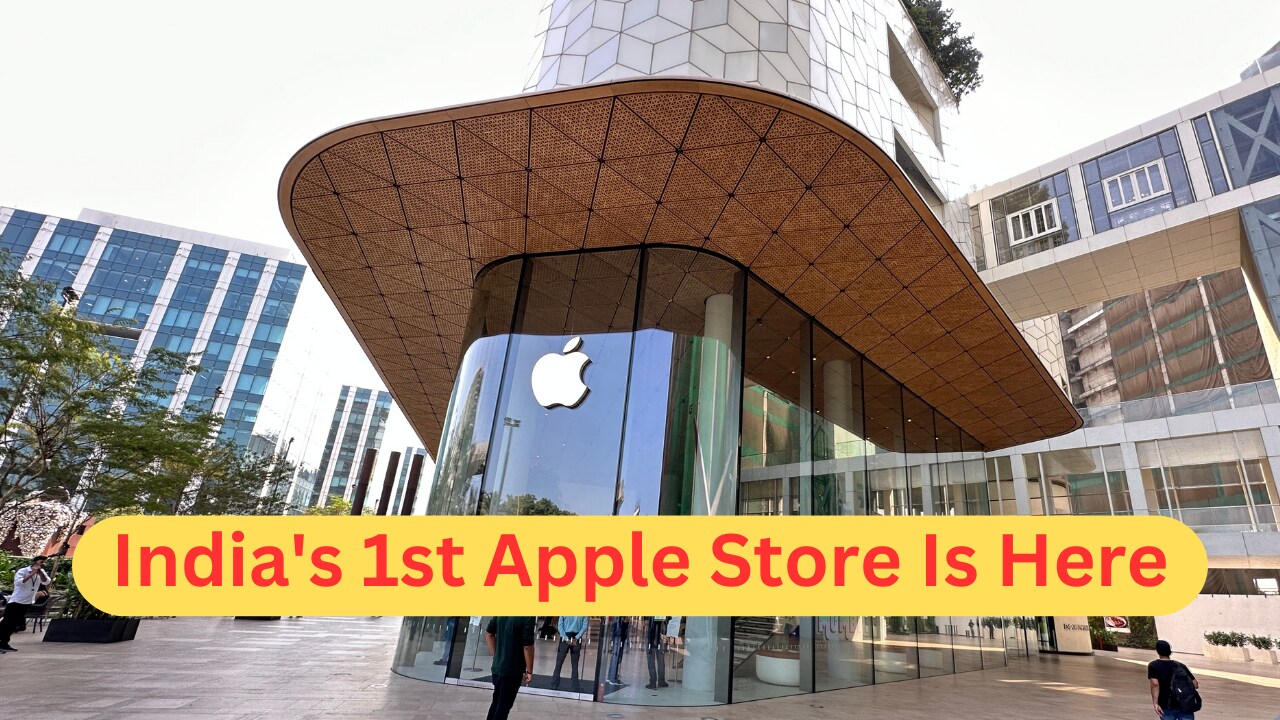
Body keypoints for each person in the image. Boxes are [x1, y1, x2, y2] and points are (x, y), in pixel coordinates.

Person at [484, 616, 535, 720]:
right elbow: (527, 646)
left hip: (498, 667)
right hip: (513, 670)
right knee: (503, 708)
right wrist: (529, 671)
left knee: (496, 702)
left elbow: (489, 634)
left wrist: (496, 656)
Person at [0, 555, 51, 652]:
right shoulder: (22, 571)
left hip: (27, 602)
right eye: (41, 562)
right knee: (7, 622)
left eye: (44, 562)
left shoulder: (41, 572)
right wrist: (32, 574)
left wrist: (40, 574)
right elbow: (18, 583)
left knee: (15, 624)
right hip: (16, 601)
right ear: (35, 562)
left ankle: (4, 643)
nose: (43, 564)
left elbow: (46, 582)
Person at [1148, 639, 1199, 719]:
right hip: (1185, 704)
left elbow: (1155, 684)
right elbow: (1195, 684)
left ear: (1158, 651)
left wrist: (1155, 703)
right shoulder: (1180, 665)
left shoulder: (1154, 665)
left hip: (1166, 704)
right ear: (1169, 651)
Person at [551, 615, 586, 691]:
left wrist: (565, 638)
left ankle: (554, 683)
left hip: (565, 636)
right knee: (575, 664)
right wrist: (576, 638)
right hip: (576, 638)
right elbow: (584, 626)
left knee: (559, 662)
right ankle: (575, 686)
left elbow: (560, 625)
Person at [645, 616, 669, 690]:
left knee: (651, 660)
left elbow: (646, 618)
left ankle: (653, 681)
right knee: (661, 660)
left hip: (651, 636)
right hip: (661, 636)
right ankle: (661, 680)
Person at [605, 616, 630, 685]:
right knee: (616, 656)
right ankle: (613, 678)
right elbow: (622, 624)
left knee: (615, 656)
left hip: (617, 635)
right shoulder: (620, 617)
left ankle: (611, 676)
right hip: (619, 635)